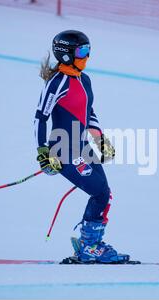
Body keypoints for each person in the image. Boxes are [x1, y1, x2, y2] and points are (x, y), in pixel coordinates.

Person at [34, 30, 129, 263]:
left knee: (104, 193)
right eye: (82, 51)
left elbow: (89, 113)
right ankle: (89, 247)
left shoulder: (84, 80)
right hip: (63, 150)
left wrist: (100, 139)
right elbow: (40, 117)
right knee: (98, 192)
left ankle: (90, 245)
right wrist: (43, 152)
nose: (87, 56)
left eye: (88, 50)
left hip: (82, 146)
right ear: (66, 54)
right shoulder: (57, 83)